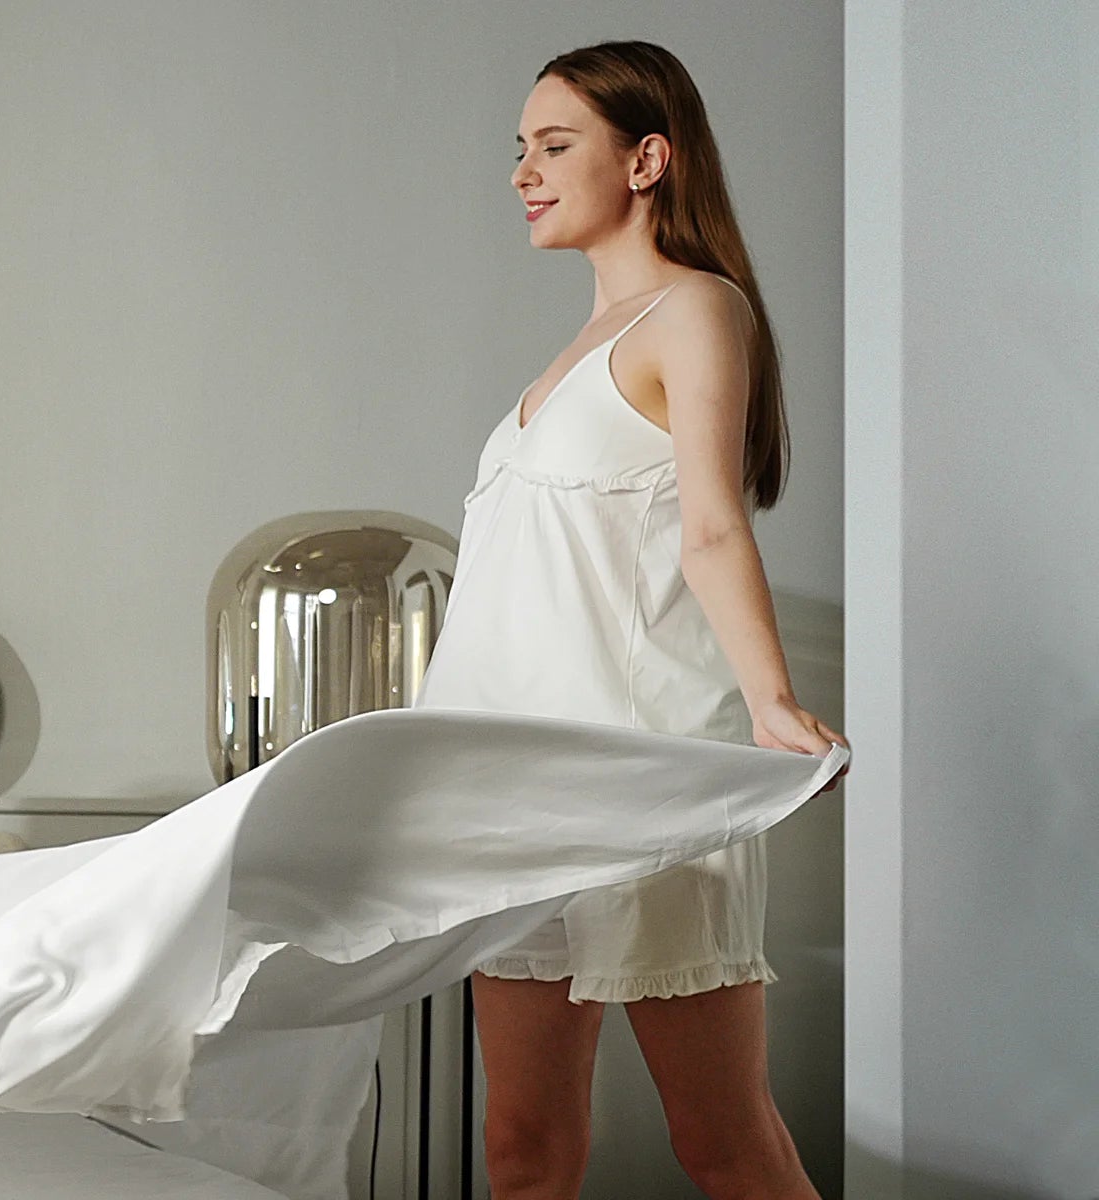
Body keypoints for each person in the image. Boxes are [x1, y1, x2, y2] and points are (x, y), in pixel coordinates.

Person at [413, 40, 849, 1200]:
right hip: (508, 791)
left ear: (646, 158)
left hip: (636, 775)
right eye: (519, 150)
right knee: (518, 1150)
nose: (522, 171)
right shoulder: (559, 363)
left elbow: (710, 525)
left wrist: (769, 703)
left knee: (720, 1141)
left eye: (554, 146)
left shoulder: (695, 313)